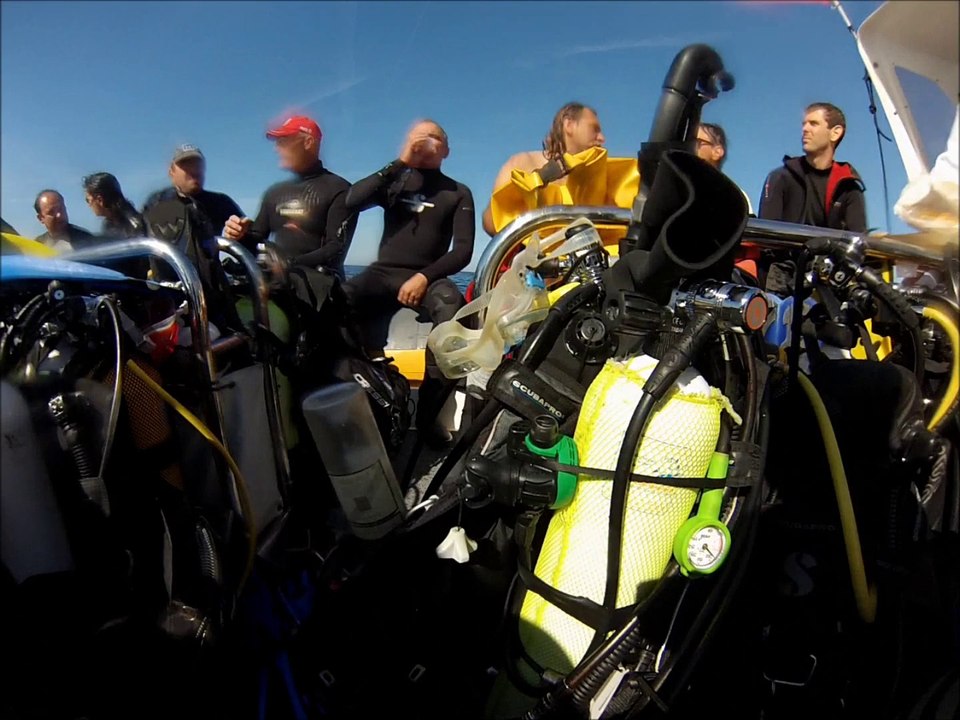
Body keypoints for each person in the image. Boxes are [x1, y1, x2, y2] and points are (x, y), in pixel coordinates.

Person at [343, 119, 475, 446]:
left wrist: (424, 276)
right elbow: (351, 200)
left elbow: (463, 251)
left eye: (434, 139)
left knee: (453, 313)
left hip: (428, 276)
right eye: (419, 138)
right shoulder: (395, 183)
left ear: (446, 150)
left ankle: (428, 417)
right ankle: (359, 399)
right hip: (382, 273)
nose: (426, 144)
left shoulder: (457, 192)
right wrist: (401, 161)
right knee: (340, 298)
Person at [222, 114, 357, 282]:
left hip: (320, 292)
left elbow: (335, 250)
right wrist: (240, 234)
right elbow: (255, 241)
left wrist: (288, 264)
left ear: (308, 142)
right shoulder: (275, 193)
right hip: (279, 287)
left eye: (283, 141)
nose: (277, 148)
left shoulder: (339, 188)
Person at [142, 144, 246, 330]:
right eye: (186, 165)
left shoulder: (220, 202)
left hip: (212, 296)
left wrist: (241, 233)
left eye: (198, 165)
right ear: (171, 172)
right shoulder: (155, 203)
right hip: (170, 298)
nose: (194, 171)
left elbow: (251, 240)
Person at [482, 102, 606, 236]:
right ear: (569, 125)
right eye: (594, 129)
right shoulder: (523, 163)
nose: (602, 138)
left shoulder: (602, 178)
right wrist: (541, 178)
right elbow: (491, 223)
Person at [758, 102, 867, 232]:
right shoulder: (780, 177)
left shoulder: (849, 187)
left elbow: (858, 240)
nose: (805, 129)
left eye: (813, 124)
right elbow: (767, 235)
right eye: (804, 124)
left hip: (832, 253)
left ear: (835, 133)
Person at [695, 122, 754, 214]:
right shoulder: (671, 185)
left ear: (717, 152)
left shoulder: (734, 195)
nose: (688, 147)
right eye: (686, 142)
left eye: (696, 142)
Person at [83, 172, 147, 239]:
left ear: (100, 200)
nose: (89, 205)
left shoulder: (135, 225)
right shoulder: (108, 225)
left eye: (88, 200)